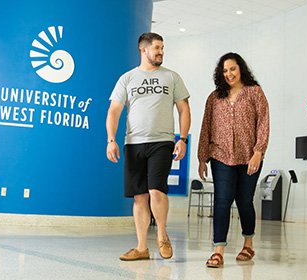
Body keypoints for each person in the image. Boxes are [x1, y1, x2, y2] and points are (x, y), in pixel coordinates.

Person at [106, 32, 191, 261]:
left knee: (156, 189)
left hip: (162, 141)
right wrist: (111, 139)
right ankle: (142, 247)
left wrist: (182, 138)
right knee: (139, 196)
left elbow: (184, 109)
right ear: (143, 50)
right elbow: (114, 110)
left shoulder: (172, 77)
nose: (161, 52)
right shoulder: (127, 78)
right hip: (133, 143)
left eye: (162, 48)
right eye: (157, 48)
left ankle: (162, 234)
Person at [198, 52, 269, 268]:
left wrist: (259, 151)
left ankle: (248, 244)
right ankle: (218, 250)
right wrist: (202, 158)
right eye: (225, 70)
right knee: (222, 200)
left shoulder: (254, 92)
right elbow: (206, 126)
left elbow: (263, 122)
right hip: (220, 155)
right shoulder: (214, 97)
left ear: (241, 69)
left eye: (233, 69)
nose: (229, 74)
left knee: (244, 201)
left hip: (249, 156)